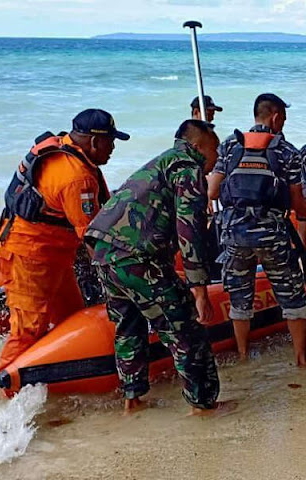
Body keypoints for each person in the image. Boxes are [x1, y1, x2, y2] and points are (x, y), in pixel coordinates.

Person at [85, 120, 223, 415]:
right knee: (185, 327)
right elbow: (190, 230)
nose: (217, 157)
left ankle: (132, 400)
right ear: (198, 147)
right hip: (137, 258)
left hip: (104, 252)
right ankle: (203, 405)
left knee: (128, 326)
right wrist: (199, 290)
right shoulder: (188, 167)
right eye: (216, 149)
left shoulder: (159, 163)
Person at [0, 109, 127, 371]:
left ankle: (61, 384)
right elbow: (93, 239)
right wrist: (121, 278)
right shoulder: (78, 179)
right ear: (93, 142)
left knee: (70, 320)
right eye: (110, 141)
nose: (112, 148)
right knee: (27, 331)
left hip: (53, 256)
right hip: (30, 257)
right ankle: (7, 394)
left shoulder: (64, 147)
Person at [207, 93, 306, 366]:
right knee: (292, 297)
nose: (283, 124)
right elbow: (299, 205)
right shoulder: (286, 151)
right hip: (272, 236)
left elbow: (213, 190)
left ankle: (242, 356)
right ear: (275, 117)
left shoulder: (230, 145)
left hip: (234, 235)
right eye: (283, 119)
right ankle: (300, 358)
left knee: (240, 299)